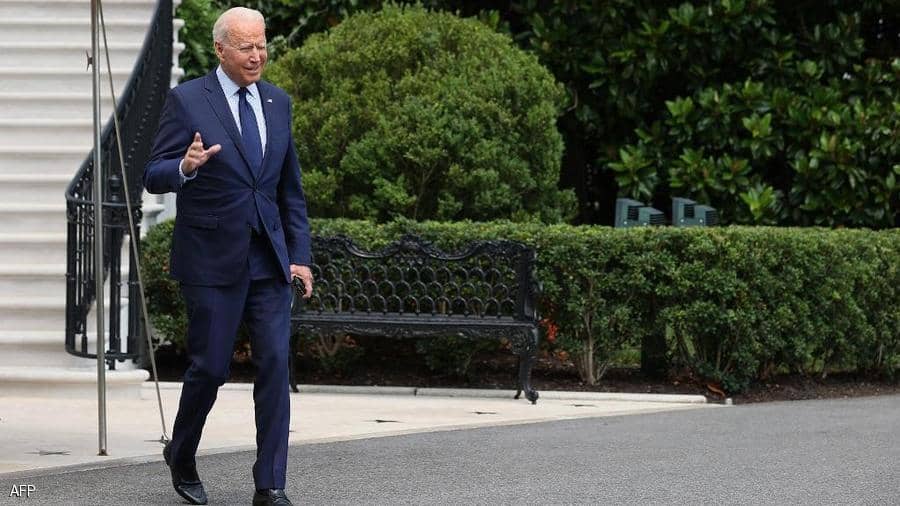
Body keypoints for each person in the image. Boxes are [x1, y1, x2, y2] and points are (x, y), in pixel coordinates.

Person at [143, 6, 312, 506]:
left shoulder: (278, 102)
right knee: (211, 368)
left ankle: (271, 484)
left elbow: (289, 190)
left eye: (262, 45)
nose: (257, 55)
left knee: (275, 365)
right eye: (246, 47)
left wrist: (299, 256)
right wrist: (185, 165)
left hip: (269, 259)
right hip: (212, 259)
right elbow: (153, 173)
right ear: (220, 49)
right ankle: (182, 452)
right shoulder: (187, 100)